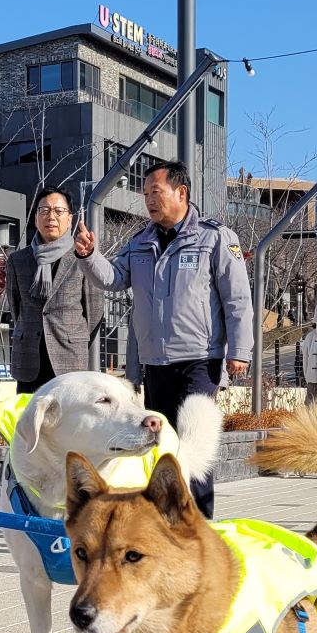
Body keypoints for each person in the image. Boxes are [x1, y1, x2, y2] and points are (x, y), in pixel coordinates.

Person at [115, 160, 252, 517]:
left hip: (201, 359)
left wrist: (240, 350)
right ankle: (166, 520)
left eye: (155, 192)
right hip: (156, 362)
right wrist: (86, 255)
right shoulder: (140, 242)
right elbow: (112, 278)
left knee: (194, 442)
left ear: (181, 192)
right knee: (162, 444)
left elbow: (237, 298)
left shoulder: (215, 237)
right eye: (145, 193)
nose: (149, 200)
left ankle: (200, 522)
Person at [4, 187, 110, 394]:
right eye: (44, 210)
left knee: (68, 414)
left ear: (69, 219)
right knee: (28, 413)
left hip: (69, 359)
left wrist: (73, 336)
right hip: (29, 359)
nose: (50, 216)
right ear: (36, 218)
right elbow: (16, 308)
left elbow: (94, 312)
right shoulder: (18, 260)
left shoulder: (82, 257)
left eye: (58, 211)